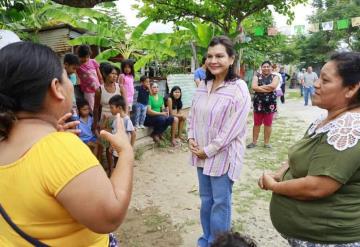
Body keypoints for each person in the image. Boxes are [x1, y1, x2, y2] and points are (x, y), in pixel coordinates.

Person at [0, 41, 133, 246]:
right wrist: (125, 151)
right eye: (66, 76)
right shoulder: (58, 147)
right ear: (56, 88)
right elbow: (110, 215)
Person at [259, 52, 360, 246]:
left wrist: (274, 187)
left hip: (327, 239)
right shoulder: (326, 120)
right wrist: (278, 173)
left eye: (325, 80)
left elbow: (317, 186)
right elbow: (299, 157)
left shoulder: (351, 127)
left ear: (352, 88)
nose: (316, 84)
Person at [187, 36, 251, 247]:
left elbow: (233, 127)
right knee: (206, 200)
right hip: (201, 154)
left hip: (222, 156)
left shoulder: (238, 87)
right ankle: (205, 240)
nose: (213, 60)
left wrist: (209, 149)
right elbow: (192, 117)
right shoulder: (203, 85)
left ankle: (219, 243)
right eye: (210, 56)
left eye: (220, 56)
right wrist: (191, 139)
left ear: (231, 59)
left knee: (220, 203)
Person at [93, 62, 125, 174]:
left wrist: (126, 120)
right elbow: (96, 108)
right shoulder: (99, 90)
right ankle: (110, 169)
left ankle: (117, 167)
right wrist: (95, 123)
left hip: (117, 120)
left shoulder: (120, 88)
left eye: (116, 74)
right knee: (106, 146)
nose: (115, 76)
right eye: (112, 74)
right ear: (105, 74)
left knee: (116, 145)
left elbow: (125, 106)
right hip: (105, 120)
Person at [247, 61, 280, 149]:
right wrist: (268, 89)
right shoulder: (256, 76)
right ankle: (254, 142)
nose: (266, 68)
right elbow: (253, 87)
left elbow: (273, 86)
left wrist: (259, 88)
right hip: (258, 103)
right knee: (256, 123)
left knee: (268, 124)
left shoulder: (275, 76)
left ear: (271, 68)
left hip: (270, 104)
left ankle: (266, 143)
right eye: (264, 66)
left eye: (267, 66)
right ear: (261, 68)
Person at [109, 95, 136, 165]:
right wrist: (111, 146)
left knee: (123, 167)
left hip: (124, 151)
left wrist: (130, 147)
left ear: (119, 108)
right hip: (116, 151)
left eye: (112, 108)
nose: (110, 110)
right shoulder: (115, 120)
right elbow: (114, 134)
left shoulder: (126, 120)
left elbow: (133, 134)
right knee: (117, 166)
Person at [76, 45, 104, 111]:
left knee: (101, 105)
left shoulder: (93, 61)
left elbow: (99, 75)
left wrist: (102, 86)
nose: (86, 59)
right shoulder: (78, 65)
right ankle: (94, 120)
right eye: (83, 57)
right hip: (88, 91)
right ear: (79, 56)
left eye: (87, 57)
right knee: (91, 108)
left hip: (98, 89)